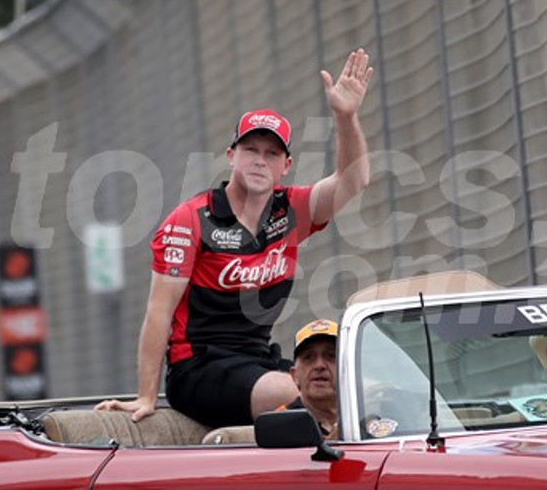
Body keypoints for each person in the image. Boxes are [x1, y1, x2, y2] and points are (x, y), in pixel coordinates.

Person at [97, 48, 374, 427]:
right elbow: (158, 311)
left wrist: (346, 116)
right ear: (231, 155)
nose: (260, 160)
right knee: (303, 396)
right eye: (250, 150)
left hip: (258, 359)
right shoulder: (192, 219)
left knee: (365, 390)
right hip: (198, 368)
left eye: (272, 153)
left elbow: (353, 180)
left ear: (285, 166)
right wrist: (147, 395)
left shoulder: (291, 210)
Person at [282, 318, 340, 438]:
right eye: (309, 357)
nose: (319, 365)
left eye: (331, 355)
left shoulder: (366, 419)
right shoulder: (281, 423)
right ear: (294, 375)